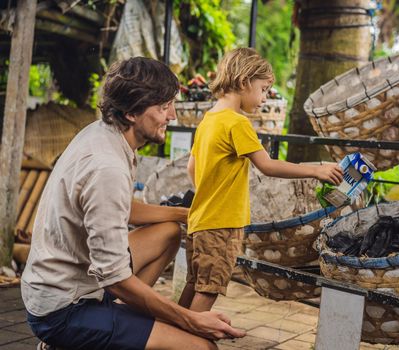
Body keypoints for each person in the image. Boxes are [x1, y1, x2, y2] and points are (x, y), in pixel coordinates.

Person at [21, 57, 245, 350]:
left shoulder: (105, 134)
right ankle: (78, 337)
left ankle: (117, 325)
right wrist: (188, 319)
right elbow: (115, 278)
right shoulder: (107, 167)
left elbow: (121, 208)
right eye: (164, 107)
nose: (173, 115)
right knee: (200, 347)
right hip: (62, 309)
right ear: (130, 113)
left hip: (79, 278)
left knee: (167, 232)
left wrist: (185, 214)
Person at [179, 48, 344, 312]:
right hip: (222, 225)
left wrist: (212, 190)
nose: (265, 98)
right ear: (244, 82)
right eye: (264, 89)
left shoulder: (209, 119)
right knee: (208, 290)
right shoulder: (237, 123)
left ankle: (169, 329)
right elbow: (267, 165)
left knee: (195, 283)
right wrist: (317, 171)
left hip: (199, 220)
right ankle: (184, 339)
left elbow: (191, 167)